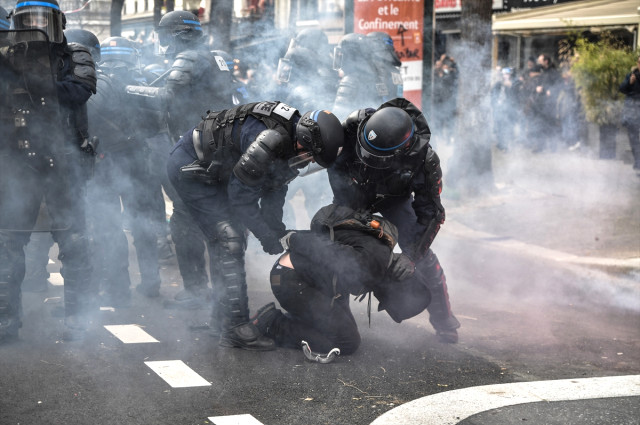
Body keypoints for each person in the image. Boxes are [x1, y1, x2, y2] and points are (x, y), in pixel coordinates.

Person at [166, 101, 344, 350]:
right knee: (229, 238)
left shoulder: (293, 143)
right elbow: (241, 200)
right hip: (192, 168)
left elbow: (274, 188)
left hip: (217, 173)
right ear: (303, 141)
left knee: (229, 238)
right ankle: (234, 327)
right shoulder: (269, 140)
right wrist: (266, 236)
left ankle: (222, 319)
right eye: (309, 155)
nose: (307, 162)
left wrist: (277, 231)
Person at [0, 0, 97, 342]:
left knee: (75, 241)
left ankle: (79, 320)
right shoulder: (8, 53)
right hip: (16, 161)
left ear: (58, 20)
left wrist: (37, 85)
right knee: (7, 244)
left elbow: (82, 89)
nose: (37, 25)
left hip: (63, 160)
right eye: (29, 19)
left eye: (43, 19)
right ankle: (5, 323)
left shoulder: (74, 52)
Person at [126, 11, 238, 307]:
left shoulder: (189, 58)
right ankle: (225, 296)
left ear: (177, 34)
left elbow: (166, 96)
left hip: (196, 149)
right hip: (219, 148)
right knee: (217, 220)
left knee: (185, 219)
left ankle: (197, 293)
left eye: (165, 36)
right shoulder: (216, 58)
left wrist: (129, 88)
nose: (163, 44)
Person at [327, 98, 460, 343]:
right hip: (352, 191)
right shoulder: (353, 125)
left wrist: (411, 255)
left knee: (425, 260)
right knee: (338, 249)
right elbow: (333, 162)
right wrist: (346, 202)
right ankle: (337, 321)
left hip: (393, 200)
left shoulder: (425, 161)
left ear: (403, 151)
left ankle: (444, 321)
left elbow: (432, 214)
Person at [251, 204, 432, 358]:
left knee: (344, 330)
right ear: (396, 289)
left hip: (308, 280)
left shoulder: (381, 256)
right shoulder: (372, 263)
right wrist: (292, 238)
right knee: (346, 341)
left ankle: (296, 320)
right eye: (386, 301)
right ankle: (271, 323)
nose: (379, 298)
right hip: (291, 280)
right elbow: (324, 249)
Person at [619, 54, 640, 171]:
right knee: (633, 138)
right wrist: (629, 83)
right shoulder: (632, 75)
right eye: (639, 62)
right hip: (632, 111)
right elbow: (622, 88)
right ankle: (638, 161)